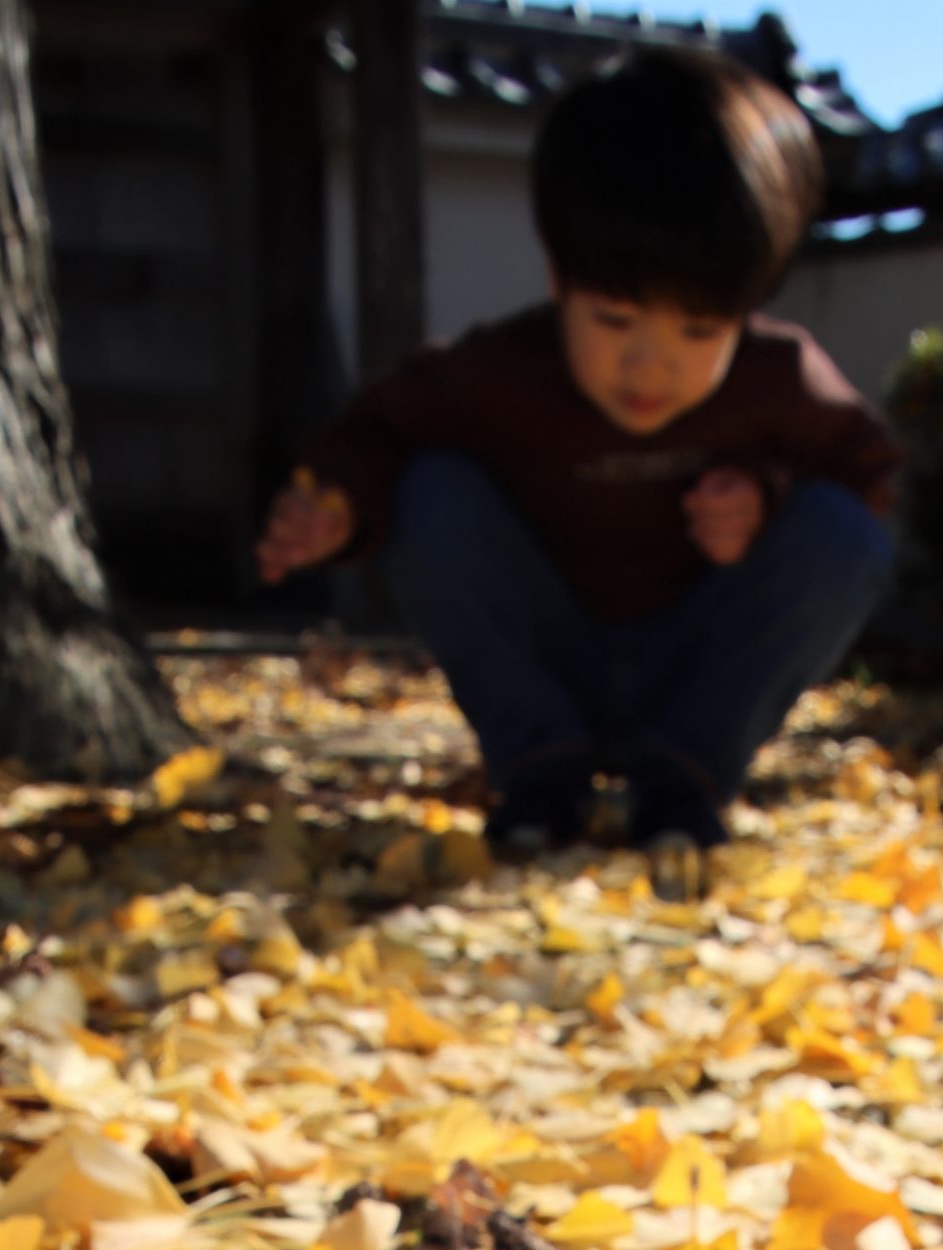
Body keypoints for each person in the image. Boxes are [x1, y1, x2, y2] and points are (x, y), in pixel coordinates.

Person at [257, 46, 902, 860]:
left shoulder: (780, 380)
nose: (649, 364)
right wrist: (335, 504)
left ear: (747, 309)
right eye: (613, 320)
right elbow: (378, 431)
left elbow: (868, 475)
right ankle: (537, 772)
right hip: (546, 661)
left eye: (697, 331)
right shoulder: (497, 372)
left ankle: (687, 777)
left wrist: (767, 496)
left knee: (839, 534)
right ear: (559, 276)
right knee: (431, 489)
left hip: (692, 669)